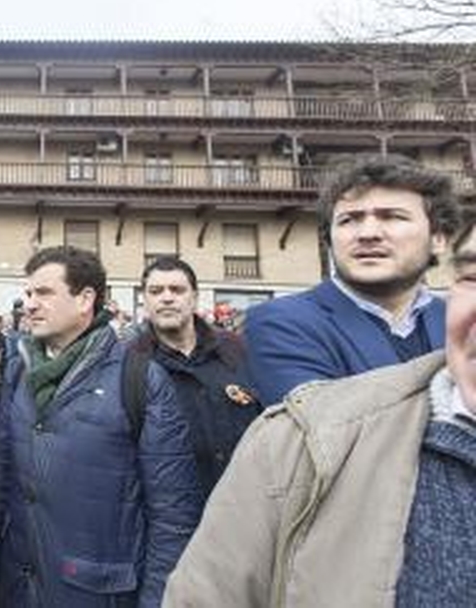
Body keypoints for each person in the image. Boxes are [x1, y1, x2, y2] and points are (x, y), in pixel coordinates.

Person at [163, 217, 476, 608]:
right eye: (471, 277)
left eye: (176, 289)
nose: (166, 299)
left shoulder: (233, 355)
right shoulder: (296, 439)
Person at [0, 246, 202, 608]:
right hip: (19, 588)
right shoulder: (18, 370)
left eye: (43, 293)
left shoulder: (139, 379)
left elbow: (173, 516)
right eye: (28, 293)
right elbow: (1, 473)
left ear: (85, 299)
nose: (28, 304)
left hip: (98, 593)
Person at [245, 154, 460, 404]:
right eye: (349, 220)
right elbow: (329, 428)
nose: (367, 234)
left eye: (392, 216)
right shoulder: (280, 323)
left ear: (438, 239)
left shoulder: (461, 321)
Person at [131, 256, 261, 500]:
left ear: (194, 298)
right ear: (145, 301)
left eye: (177, 290)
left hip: (247, 506)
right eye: (156, 291)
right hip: (174, 518)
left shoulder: (238, 350)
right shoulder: (128, 364)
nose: (167, 297)